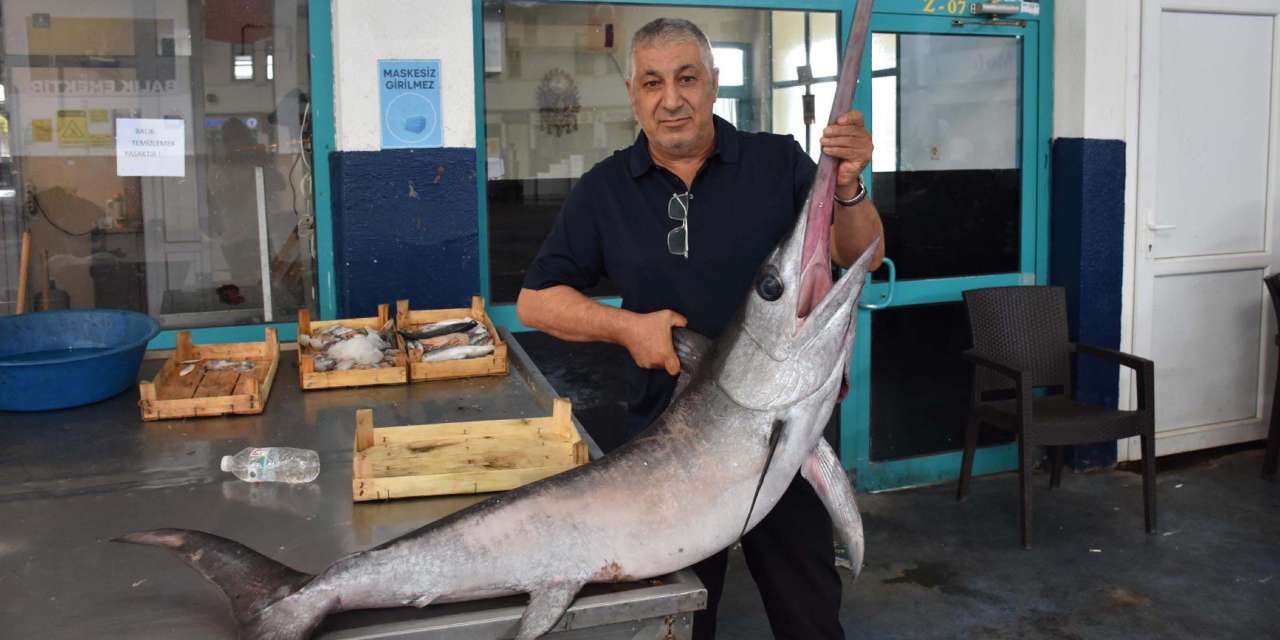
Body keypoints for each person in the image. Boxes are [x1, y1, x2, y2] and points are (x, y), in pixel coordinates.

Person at [516, 17, 884, 639]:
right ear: (633, 94)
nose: (672, 98)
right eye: (653, 82)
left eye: (688, 78)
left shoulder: (777, 163)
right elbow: (535, 302)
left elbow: (861, 254)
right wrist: (627, 327)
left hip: (781, 441)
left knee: (810, 618)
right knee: (676, 622)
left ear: (713, 85)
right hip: (666, 453)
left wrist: (846, 188)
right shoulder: (605, 190)